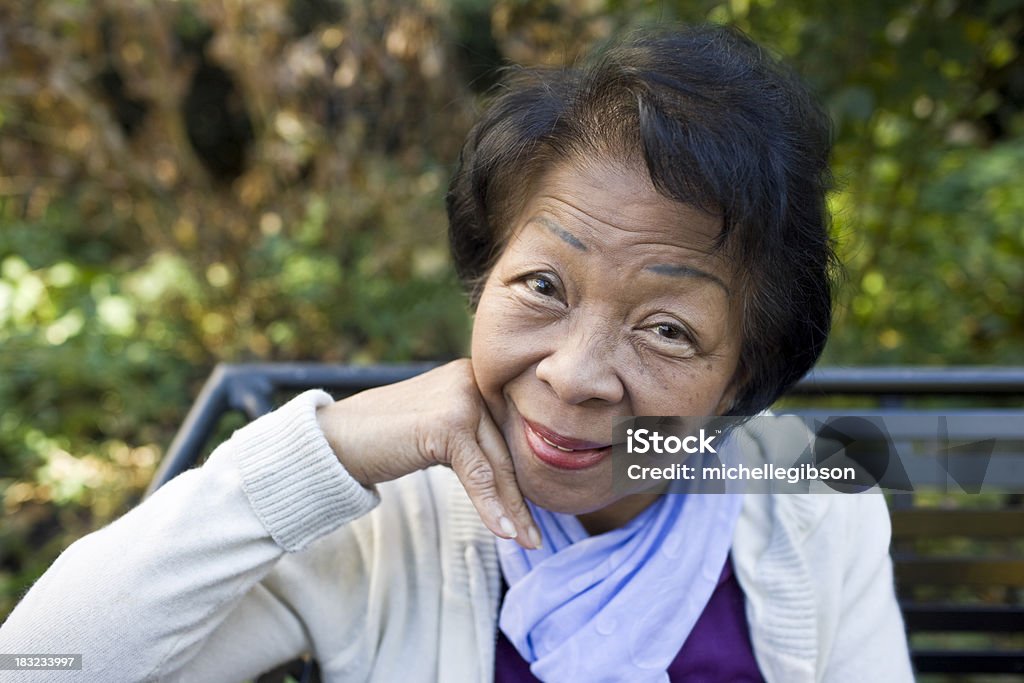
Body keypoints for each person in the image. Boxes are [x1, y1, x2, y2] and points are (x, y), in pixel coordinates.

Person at [0, 24, 914, 682]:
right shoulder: (378, 517)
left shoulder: (811, 498)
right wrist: (328, 448)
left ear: (742, 379)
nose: (574, 373)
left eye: (668, 330)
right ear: (485, 276)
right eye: (544, 287)